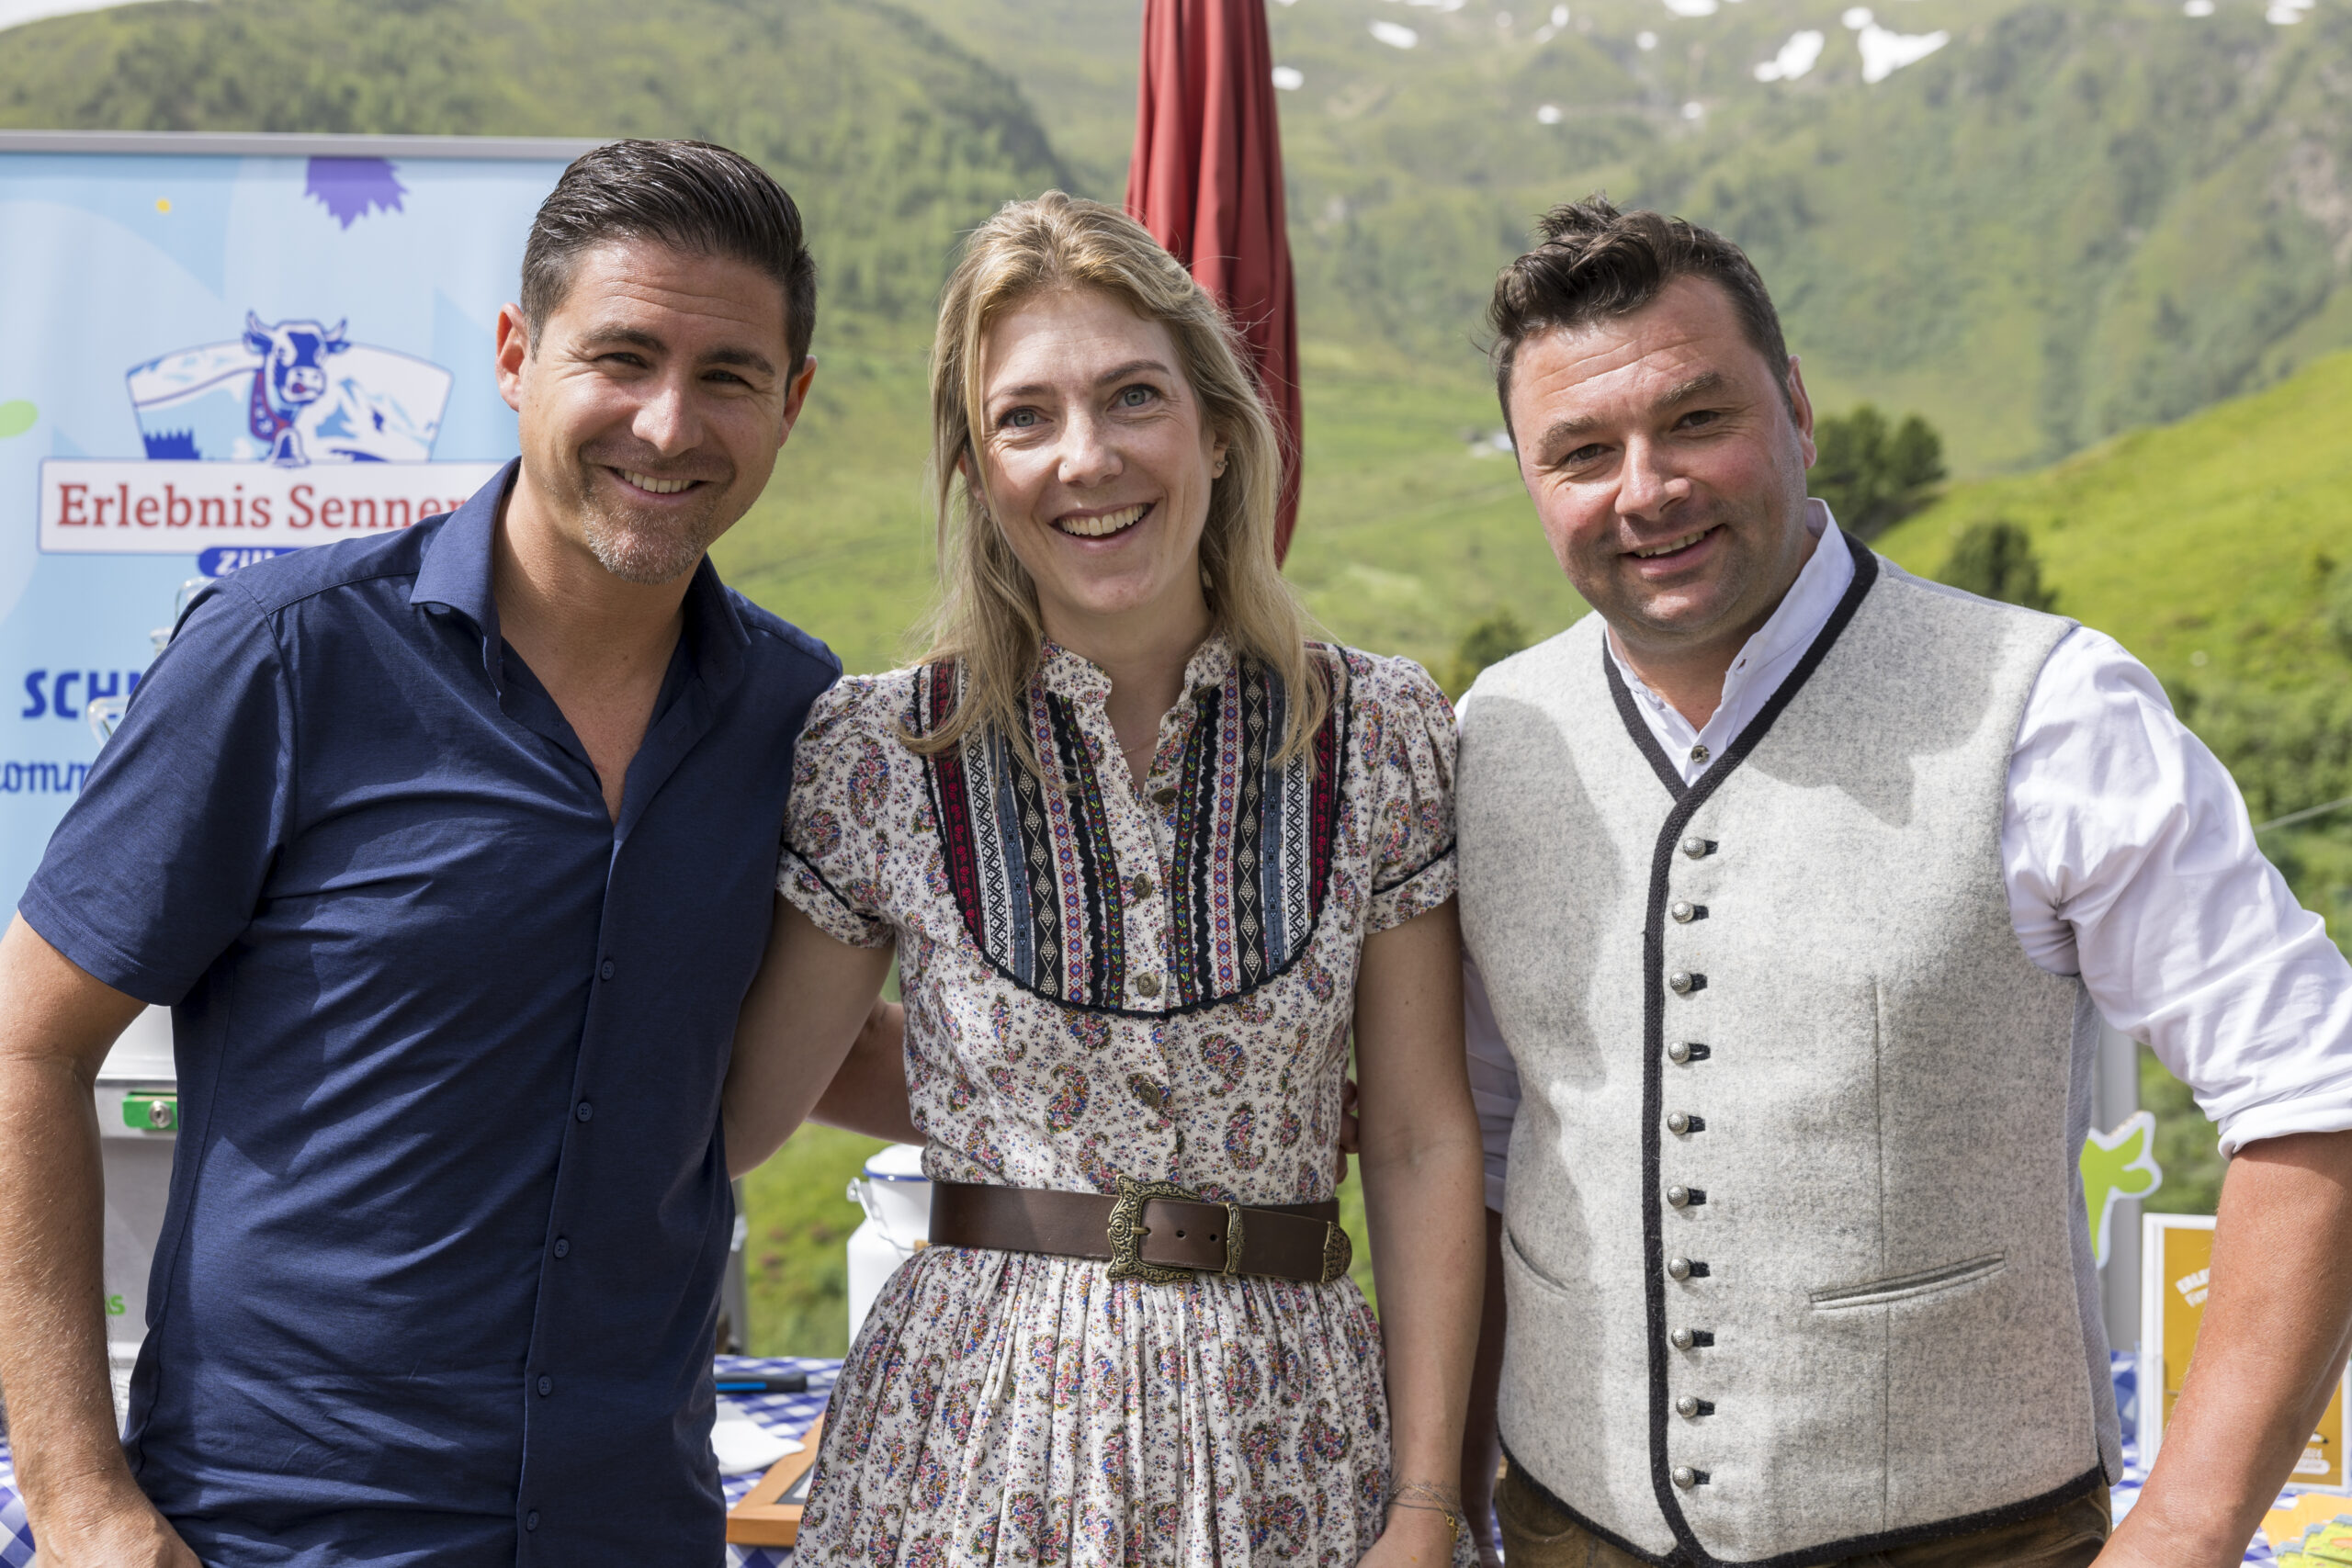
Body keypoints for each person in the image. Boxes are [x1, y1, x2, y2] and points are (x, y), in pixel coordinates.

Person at [1451, 197, 2352, 1568]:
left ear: (1796, 409)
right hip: (1562, 1532)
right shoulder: (1491, 737)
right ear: (1528, 478)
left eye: (1696, 420)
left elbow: (2315, 1090)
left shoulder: (2051, 705)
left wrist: (2183, 1527)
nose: (1645, 489)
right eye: (1582, 451)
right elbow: (1484, 1145)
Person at [0, 139, 862, 1567]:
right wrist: (83, 1504)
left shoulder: (794, 714)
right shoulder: (289, 658)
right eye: (622, 356)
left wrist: (1236, 1112)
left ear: (794, 404)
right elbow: (28, 1042)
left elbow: (799, 1035)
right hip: (290, 1535)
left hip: (629, 1529)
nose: (666, 424)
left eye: (727, 377)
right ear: (519, 354)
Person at [719, 190, 1487, 1567]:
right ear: (975, 464)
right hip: (968, 1443)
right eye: (1025, 417)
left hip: (1290, 1441)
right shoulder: (884, 754)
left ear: (1214, 425)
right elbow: (743, 1111)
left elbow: (1424, 1139)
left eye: (1132, 396)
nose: (1087, 458)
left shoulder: (1376, 734)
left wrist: (1426, 1504)